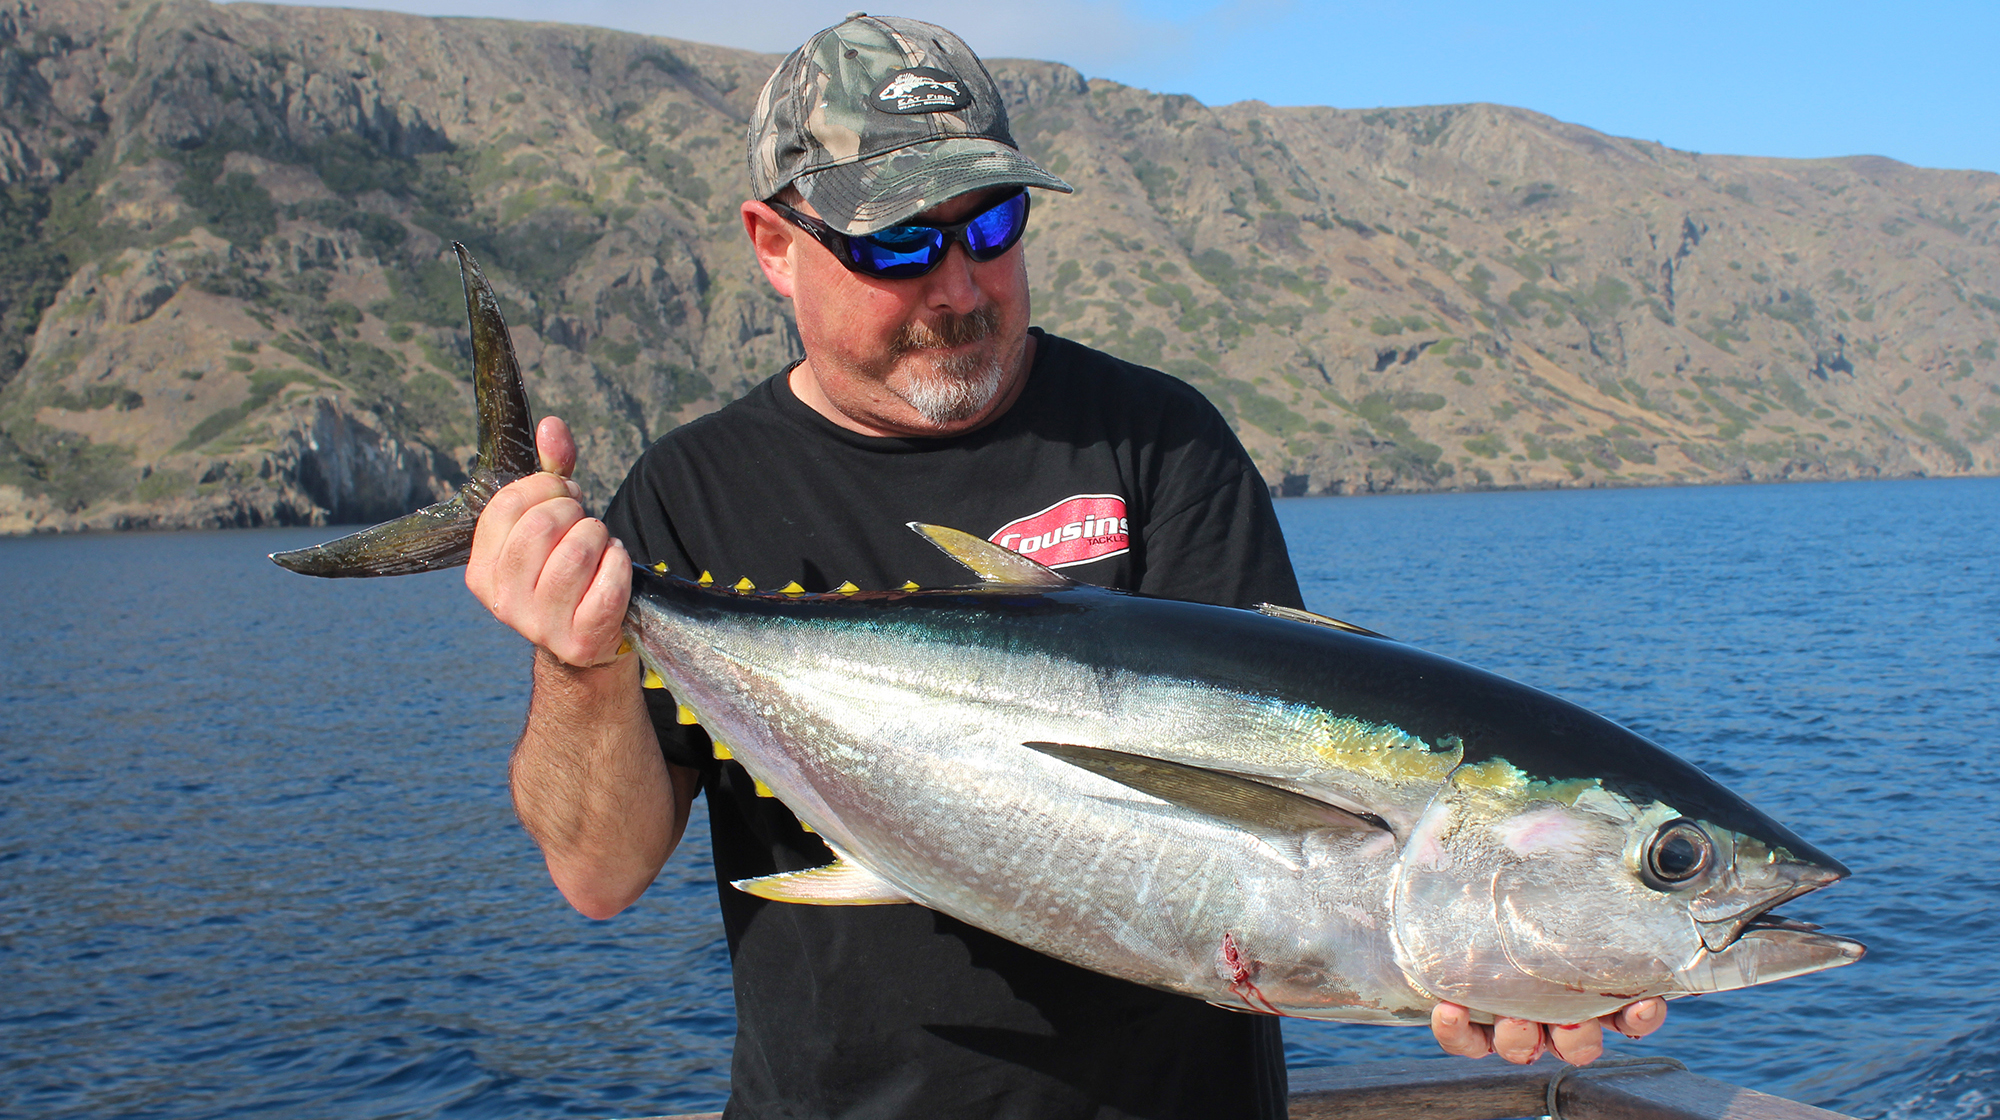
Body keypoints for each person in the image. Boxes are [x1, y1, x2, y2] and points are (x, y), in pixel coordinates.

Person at [464, 13, 1667, 1118]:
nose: (957, 286)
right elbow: (598, 873)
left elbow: (1290, 861)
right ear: (773, 246)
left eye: (990, 225)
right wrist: (577, 657)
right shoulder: (692, 491)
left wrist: (1486, 949)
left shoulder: (1159, 440)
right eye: (897, 243)